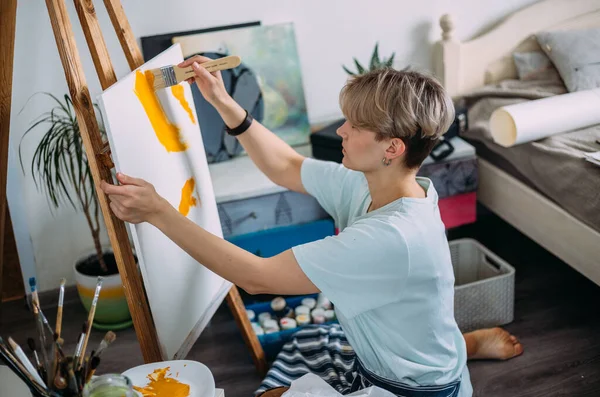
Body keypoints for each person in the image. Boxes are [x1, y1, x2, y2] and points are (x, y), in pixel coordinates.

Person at [100, 56, 523, 397]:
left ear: (391, 148)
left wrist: (159, 212)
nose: (340, 129)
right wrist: (225, 105)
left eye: (355, 126)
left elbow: (256, 278)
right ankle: (463, 345)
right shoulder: (374, 182)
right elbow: (287, 166)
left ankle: (461, 350)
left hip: (414, 390)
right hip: (394, 359)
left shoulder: (392, 236)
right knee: (308, 354)